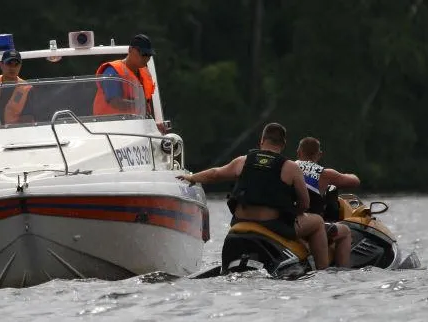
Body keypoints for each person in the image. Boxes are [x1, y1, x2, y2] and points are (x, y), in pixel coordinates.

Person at [176, 123, 331, 270]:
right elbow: (305, 203)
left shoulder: (243, 161)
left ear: (262, 141)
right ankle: (323, 271)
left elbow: (215, 174)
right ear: (283, 145)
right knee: (317, 222)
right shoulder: (291, 167)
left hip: (241, 222)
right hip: (272, 225)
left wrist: (192, 177)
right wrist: (294, 213)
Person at [295, 136, 360, 267]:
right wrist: (347, 174)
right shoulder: (325, 173)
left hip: (289, 220)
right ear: (319, 154)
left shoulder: (289, 166)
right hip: (311, 226)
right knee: (346, 231)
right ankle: (342, 271)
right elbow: (355, 181)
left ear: (298, 152)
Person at [93, 34, 156, 118]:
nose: (146, 58)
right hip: (110, 125)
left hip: (138, 124)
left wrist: (154, 123)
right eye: (143, 54)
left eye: (149, 55)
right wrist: (138, 104)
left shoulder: (144, 72)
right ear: (130, 50)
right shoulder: (112, 70)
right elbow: (115, 102)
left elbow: (147, 103)